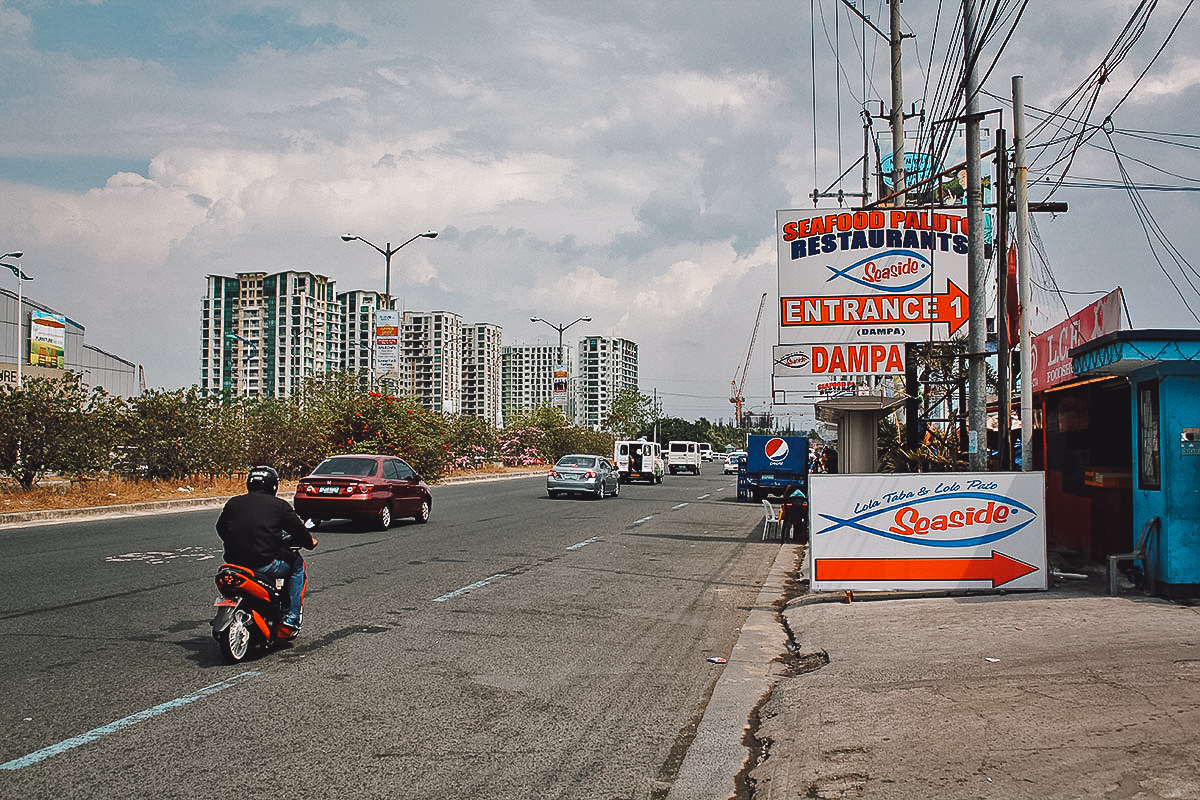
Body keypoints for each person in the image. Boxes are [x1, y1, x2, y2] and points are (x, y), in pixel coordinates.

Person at [216, 465, 317, 637]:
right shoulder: (279, 506)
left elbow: (220, 528)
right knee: (297, 565)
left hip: (233, 564)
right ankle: (291, 618)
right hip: (264, 565)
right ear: (273, 486)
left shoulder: (233, 503)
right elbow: (299, 531)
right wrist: (310, 542)